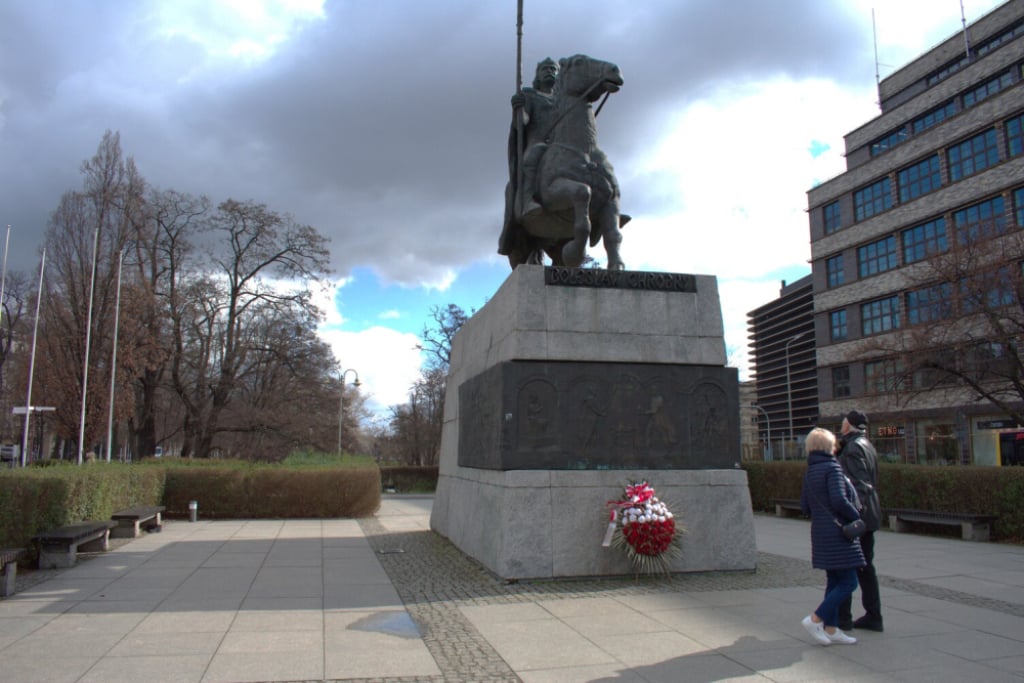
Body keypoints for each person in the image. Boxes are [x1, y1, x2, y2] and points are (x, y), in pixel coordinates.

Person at [799, 427, 865, 646]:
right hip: (839, 534)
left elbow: (805, 506)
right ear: (830, 446)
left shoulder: (810, 471)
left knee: (834, 580)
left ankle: (832, 628)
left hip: (820, 533)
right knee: (849, 582)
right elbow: (838, 500)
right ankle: (815, 619)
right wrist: (855, 515)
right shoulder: (832, 468)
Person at [498, 58, 559, 264]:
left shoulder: (565, 99)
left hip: (561, 148)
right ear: (537, 74)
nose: (549, 71)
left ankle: (603, 213)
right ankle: (527, 201)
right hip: (537, 146)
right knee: (533, 156)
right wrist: (518, 109)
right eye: (545, 69)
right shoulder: (530, 96)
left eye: (553, 69)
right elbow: (522, 123)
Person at [837, 409, 884, 632]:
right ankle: (873, 615)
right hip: (870, 514)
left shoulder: (853, 448)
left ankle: (843, 618)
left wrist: (852, 515)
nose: (841, 424)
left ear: (849, 425)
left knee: (846, 565)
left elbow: (859, 484)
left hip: (860, 516)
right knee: (866, 567)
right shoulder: (867, 444)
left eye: (844, 421)